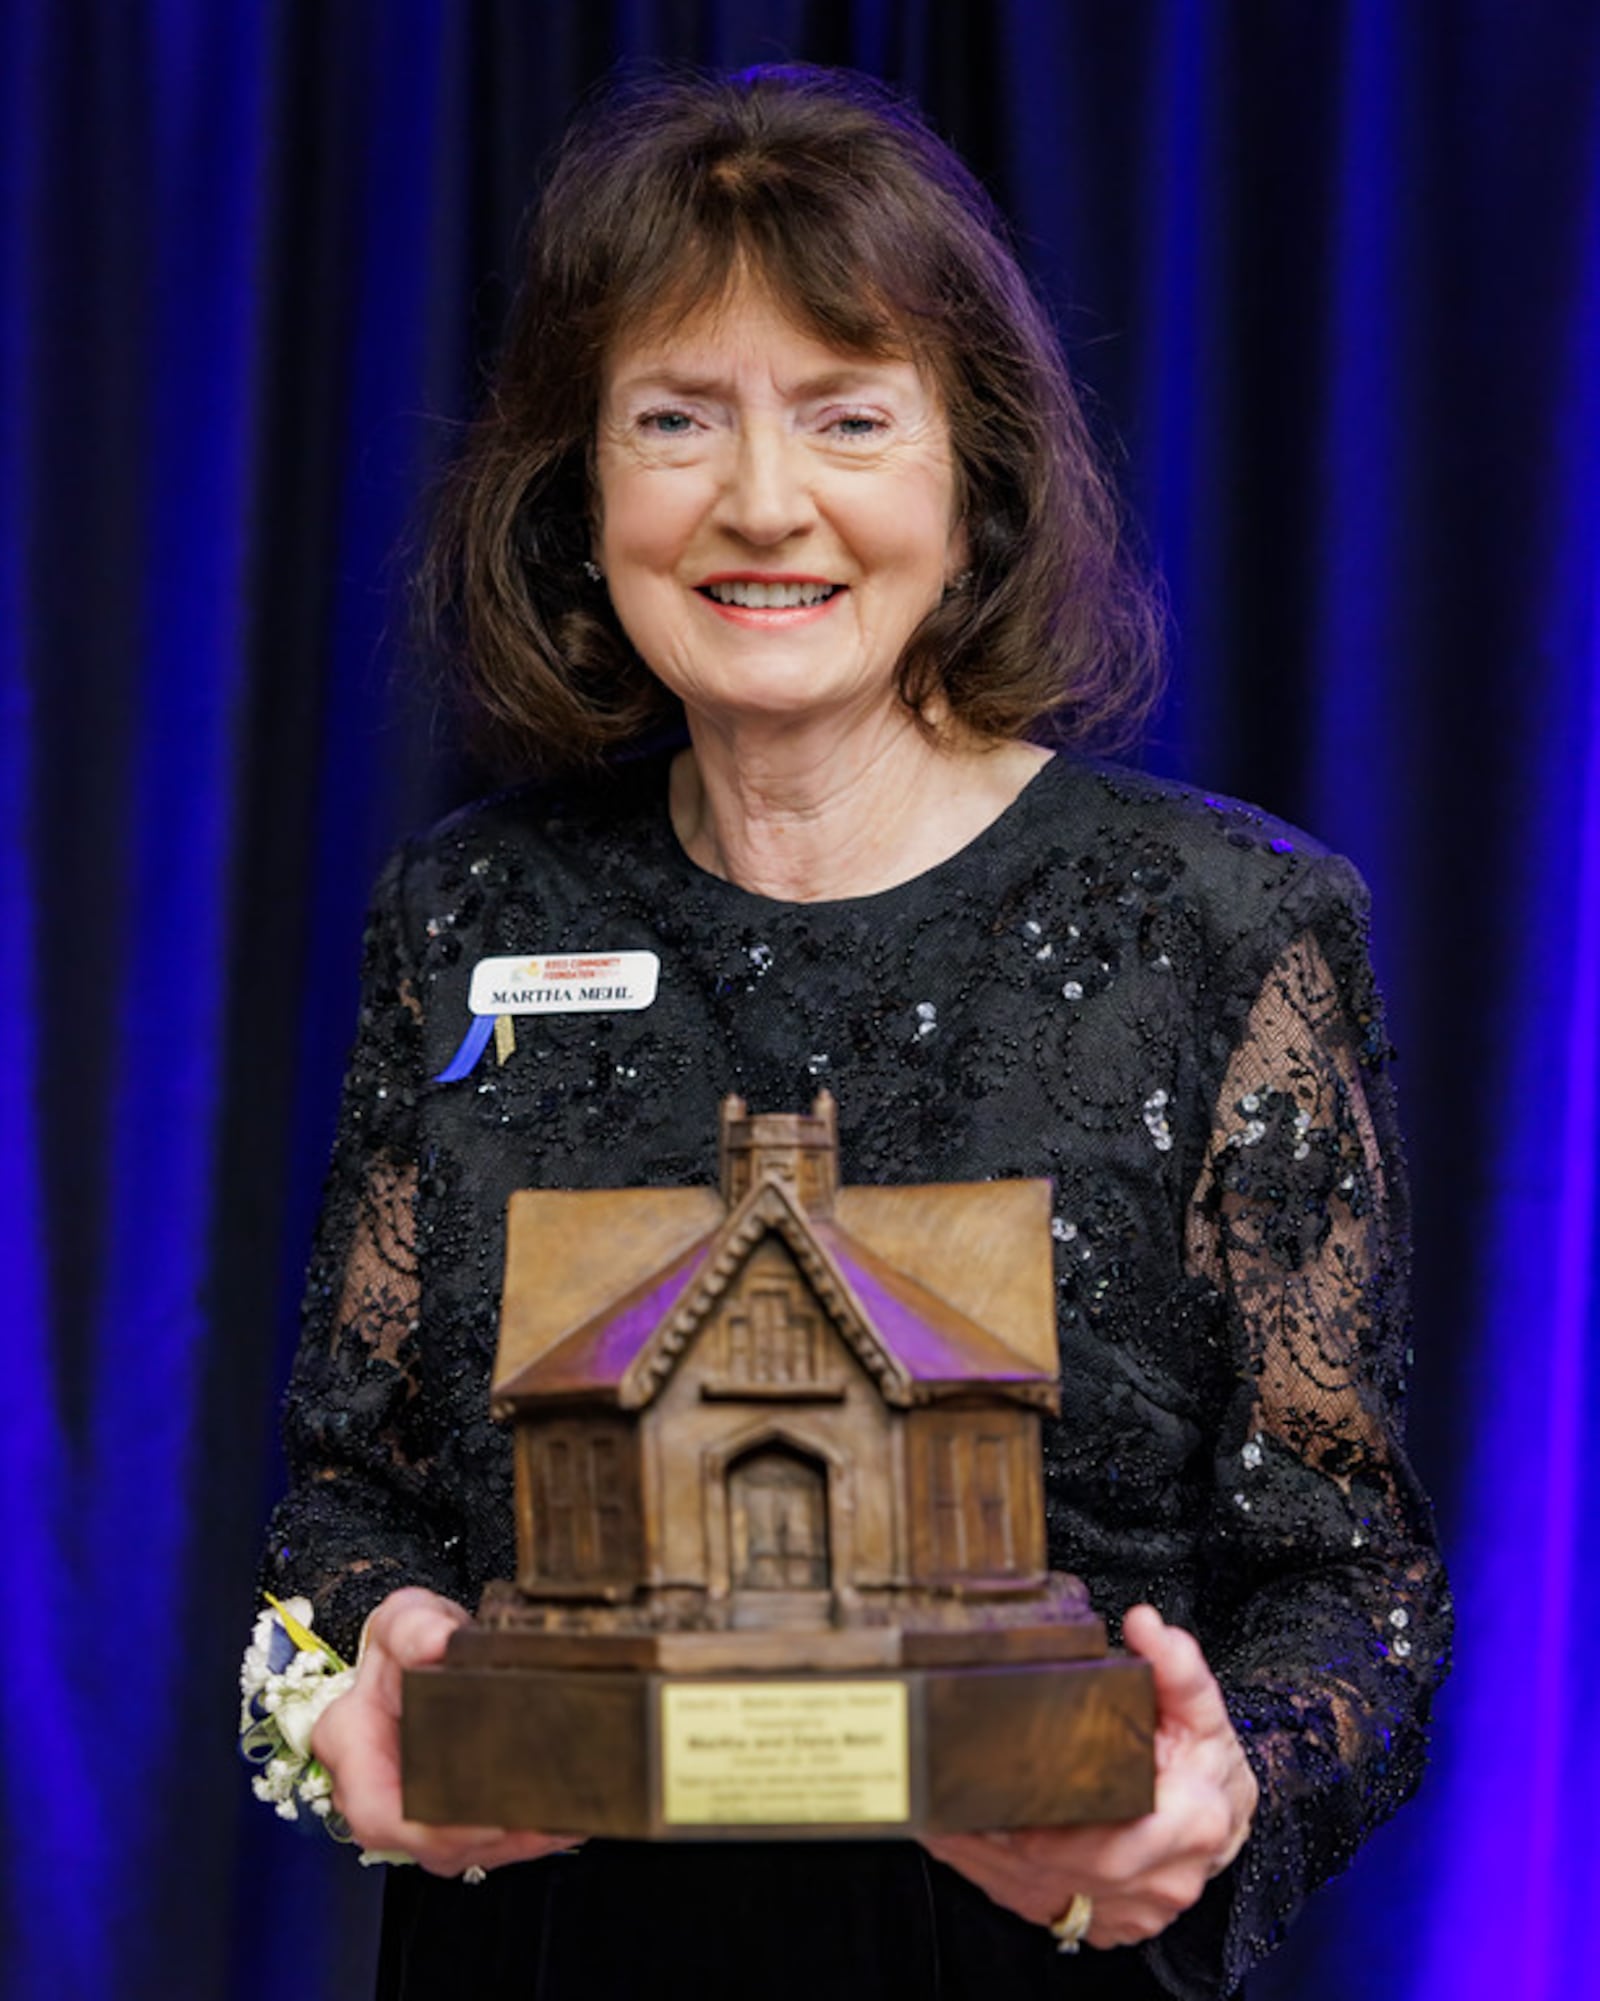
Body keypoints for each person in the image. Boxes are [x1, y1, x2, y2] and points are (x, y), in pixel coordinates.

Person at [255, 64, 1449, 2001]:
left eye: (844, 414)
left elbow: (1353, 1586)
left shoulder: (1229, 929)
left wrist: (1225, 1784)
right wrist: (350, 1682)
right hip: (549, 1947)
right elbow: (340, 1501)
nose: (757, 499)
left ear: (967, 477)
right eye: (673, 418)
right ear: (580, 484)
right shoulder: (465, 920)